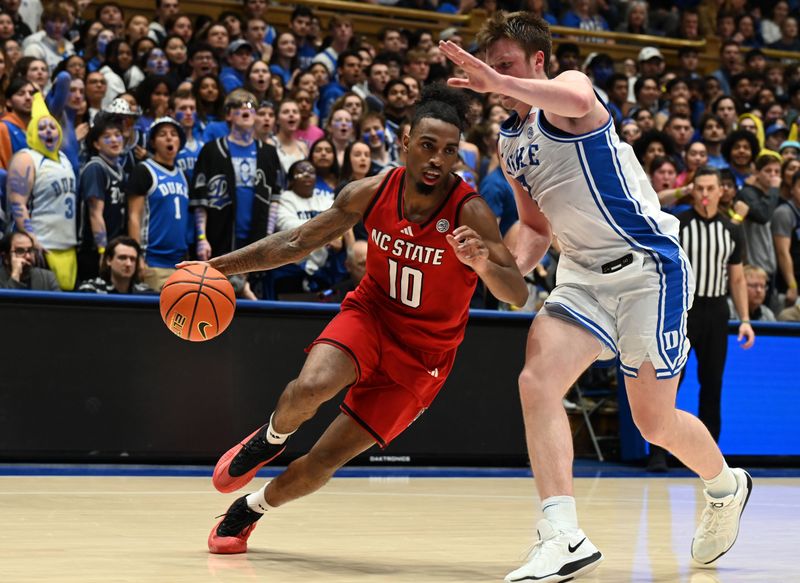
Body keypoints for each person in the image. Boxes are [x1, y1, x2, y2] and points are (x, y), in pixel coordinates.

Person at [439, 12, 752, 581]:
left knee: (653, 424)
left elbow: (572, 93)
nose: (493, 75)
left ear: (538, 62)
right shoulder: (510, 144)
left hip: (647, 269)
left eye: (505, 65)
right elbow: (534, 230)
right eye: (490, 66)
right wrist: (494, 266)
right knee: (536, 380)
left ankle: (727, 486)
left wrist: (501, 83)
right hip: (581, 274)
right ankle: (563, 534)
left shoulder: (572, 94)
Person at [177, 84, 527, 555]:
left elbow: (518, 293)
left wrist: (482, 261)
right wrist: (214, 268)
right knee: (309, 388)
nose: (437, 160)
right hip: (371, 315)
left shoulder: (470, 210)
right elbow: (294, 242)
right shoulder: (370, 191)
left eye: (448, 151)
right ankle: (270, 438)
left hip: (424, 358)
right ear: (404, 140)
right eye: (427, 146)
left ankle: (250, 509)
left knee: (324, 459)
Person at [648, 167, 754, 469]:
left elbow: (737, 279)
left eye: (711, 188)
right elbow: (654, 205)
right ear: (693, 190)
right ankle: (657, 453)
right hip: (682, 311)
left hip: (717, 311)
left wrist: (744, 318)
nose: (705, 194)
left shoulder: (732, 229)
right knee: (671, 382)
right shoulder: (679, 223)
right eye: (701, 188)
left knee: (712, 384)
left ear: (722, 191)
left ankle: (710, 457)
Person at [190, 89, 282, 260]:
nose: (245, 109)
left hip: (257, 238)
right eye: (238, 106)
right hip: (220, 237)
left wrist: (269, 235)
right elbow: (200, 200)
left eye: (251, 106)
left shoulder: (268, 153)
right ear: (228, 115)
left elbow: (274, 198)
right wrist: (202, 239)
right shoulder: (211, 151)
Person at [7, 93, 77, 290]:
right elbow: (18, 204)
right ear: (31, 133)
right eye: (41, 128)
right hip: (40, 246)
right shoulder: (27, 158)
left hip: (67, 246)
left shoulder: (64, 158)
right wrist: (32, 239)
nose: (48, 131)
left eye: (52, 127)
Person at [126, 117, 190, 290]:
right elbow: (134, 216)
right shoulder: (144, 170)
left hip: (180, 264)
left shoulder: (183, 175)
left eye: (173, 134)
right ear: (153, 142)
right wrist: (137, 256)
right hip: (152, 262)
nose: (169, 138)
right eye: (163, 134)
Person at [77, 235, 152, 294]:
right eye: (122, 258)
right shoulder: (90, 290)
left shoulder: (146, 293)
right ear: (109, 260)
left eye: (132, 259)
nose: (128, 264)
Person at [772, 172, 800, 308]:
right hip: (787, 286)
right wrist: (792, 285)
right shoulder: (784, 213)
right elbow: (782, 252)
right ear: (792, 189)